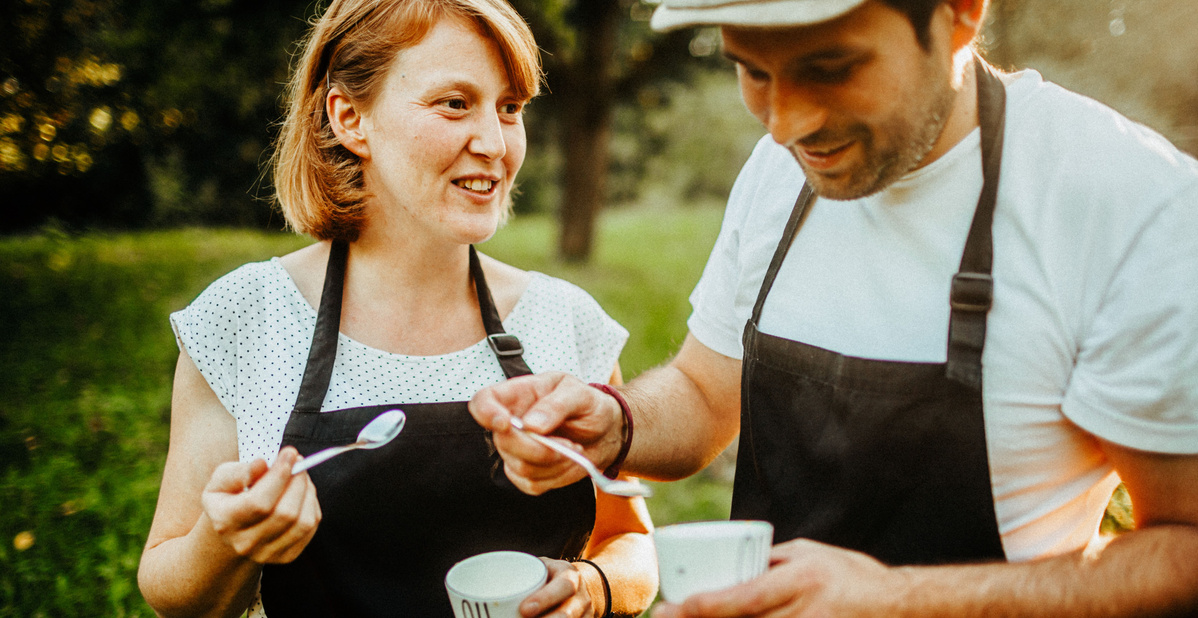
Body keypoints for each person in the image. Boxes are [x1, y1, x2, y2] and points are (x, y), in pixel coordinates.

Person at [470, 0, 1198, 615]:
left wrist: (902, 598)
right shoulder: (778, 172)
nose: (785, 124)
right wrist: (614, 424)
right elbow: (701, 394)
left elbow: (1182, 549)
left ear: (961, 15)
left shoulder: (1130, 206)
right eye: (752, 71)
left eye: (831, 69)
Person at [136, 0, 658, 616]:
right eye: (454, 103)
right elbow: (171, 588)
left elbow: (629, 542)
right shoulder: (246, 319)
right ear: (350, 118)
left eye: (510, 107)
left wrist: (593, 590)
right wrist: (225, 542)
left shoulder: (564, 319)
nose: (494, 142)